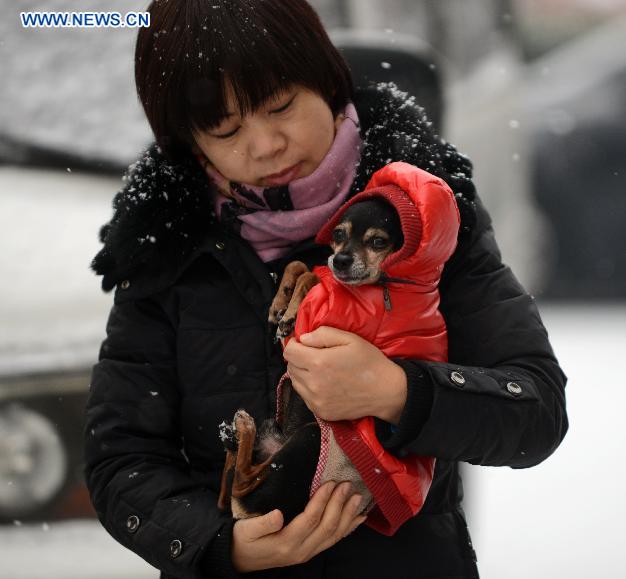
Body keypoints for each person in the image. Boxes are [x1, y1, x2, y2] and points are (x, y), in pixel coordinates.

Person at [84, 0, 568, 577]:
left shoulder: (422, 219)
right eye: (226, 130)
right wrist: (222, 546)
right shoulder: (167, 253)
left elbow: (535, 410)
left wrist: (397, 391)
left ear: (328, 84)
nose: (265, 146)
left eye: (281, 106)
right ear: (190, 144)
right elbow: (122, 461)